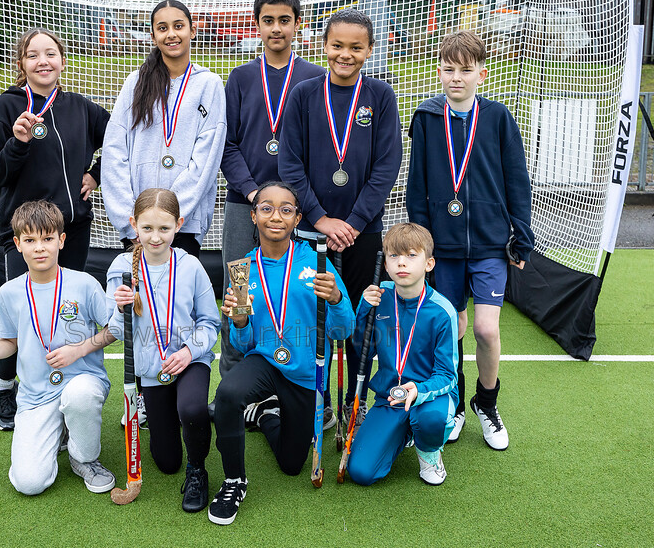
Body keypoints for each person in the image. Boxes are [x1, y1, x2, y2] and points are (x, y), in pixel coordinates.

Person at [406, 30, 533, 450]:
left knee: (486, 329)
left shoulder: (498, 118)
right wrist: (423, 242)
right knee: (453, 328)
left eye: (465, 70)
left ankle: (487, 403)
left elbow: (517, 180)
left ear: (482, 72)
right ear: (438, 70)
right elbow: (417, 186)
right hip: (443, 248)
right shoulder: (426, 117)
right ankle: (456, 404)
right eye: (448, 68)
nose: (455, 77)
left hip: (490, 243)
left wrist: (521, 234)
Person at [278, 8, 402, 426]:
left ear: (369, 50)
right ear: (323, 45)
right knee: (315, 317)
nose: (344, 54)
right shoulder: (303, 94)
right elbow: (290, 164)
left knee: (362, 317)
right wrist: (320, 218)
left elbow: (388, 164)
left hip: (362, 230)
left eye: (355, 47)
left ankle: (356, 398)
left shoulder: (381, 96)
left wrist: (353, 221)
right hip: (313, 231)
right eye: (337, 45)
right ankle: (321, 399)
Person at [0, 28, 109, 431]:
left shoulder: (81, 108)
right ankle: (5, 386)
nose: (43, 61)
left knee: (65, 314)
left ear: (62, 60)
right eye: (33, 54)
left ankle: (65, 390)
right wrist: (18, 141)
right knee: (22, 316)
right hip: (24, 235)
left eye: (50, 53)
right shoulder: (7, 107)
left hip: (70, 230)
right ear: (21, 63)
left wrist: (97, 173)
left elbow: (124, 142)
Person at [209, 181, 354, 526]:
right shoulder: (241, 270)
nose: (276, 216)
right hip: (264, 361)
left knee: (291, 465)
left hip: (305, 369)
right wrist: (240, 322)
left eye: (286, 209)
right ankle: (233, 481)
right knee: (228, 393)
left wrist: (334, 299)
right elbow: (243, 346)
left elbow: (342, 331)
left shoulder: (317, 261)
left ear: (297, 218)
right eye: (267, 208)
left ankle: (265, 416)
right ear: (254, 216)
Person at [219, 0, 326, 382]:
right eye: (268, 21)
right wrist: (252, 193)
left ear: (298, 23)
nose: (276, 28)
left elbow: (322, 146)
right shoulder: (241, 77)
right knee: (239, 295)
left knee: (302, 300)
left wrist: (299, 203)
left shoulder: (316, 78)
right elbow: (227, 145)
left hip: (299, 209)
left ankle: (302, 388)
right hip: (245, 203)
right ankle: (233, 384)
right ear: (257, 25)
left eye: (284, 20)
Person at [0, 200, 115, 495]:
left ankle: (83, 457)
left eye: (48, 238)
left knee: (81, 396)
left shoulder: (85, 284)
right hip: (36, 393)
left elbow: (115, 330)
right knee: (29, 483)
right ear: (17, 244)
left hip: (81, 381)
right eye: (30, 240)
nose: (40, 247)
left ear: (61, 241)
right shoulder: (9, 292)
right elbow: (9, 343)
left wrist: (80, 349)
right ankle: (59, 429)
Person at [106, 188, 219, 513]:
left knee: (192, 408)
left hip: (189, 362)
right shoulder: (122, 267)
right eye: (147, 228)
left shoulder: (191, 267)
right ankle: (177, 420)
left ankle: (198, 469)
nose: (156, 237)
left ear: (179, 225)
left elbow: (210, 324)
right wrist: (119, 309)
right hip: (152, 371)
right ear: (133, 225)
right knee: (167, 461)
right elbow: (115, 330)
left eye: (165, 229)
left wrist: (188, 352)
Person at [101, 0, 226, 257]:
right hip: (139, 226)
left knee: (177, 296)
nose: (171, 34)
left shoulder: (209, 85)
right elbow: (114, 152)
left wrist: (170, 214)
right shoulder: (136, 82)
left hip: (184, 223)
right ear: (153, 35)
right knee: (140, 296)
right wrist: (131, 218)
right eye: (162, 27)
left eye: (178, 26)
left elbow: (206, 160)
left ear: (192, 30)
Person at [346, 223, 458, 486]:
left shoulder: (443, 311)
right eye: (394, 256)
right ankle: (404, 430)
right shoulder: (379, 296)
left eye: (411, 255)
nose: (401, 263)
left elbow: (447, 375)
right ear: (385, 264)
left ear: (429, 264)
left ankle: (429, 452)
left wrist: (419, 390)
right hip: (390, 396)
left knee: (431, 419)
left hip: (430, 395)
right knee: (361, 473)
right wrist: (363, 310)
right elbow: (363, 349)